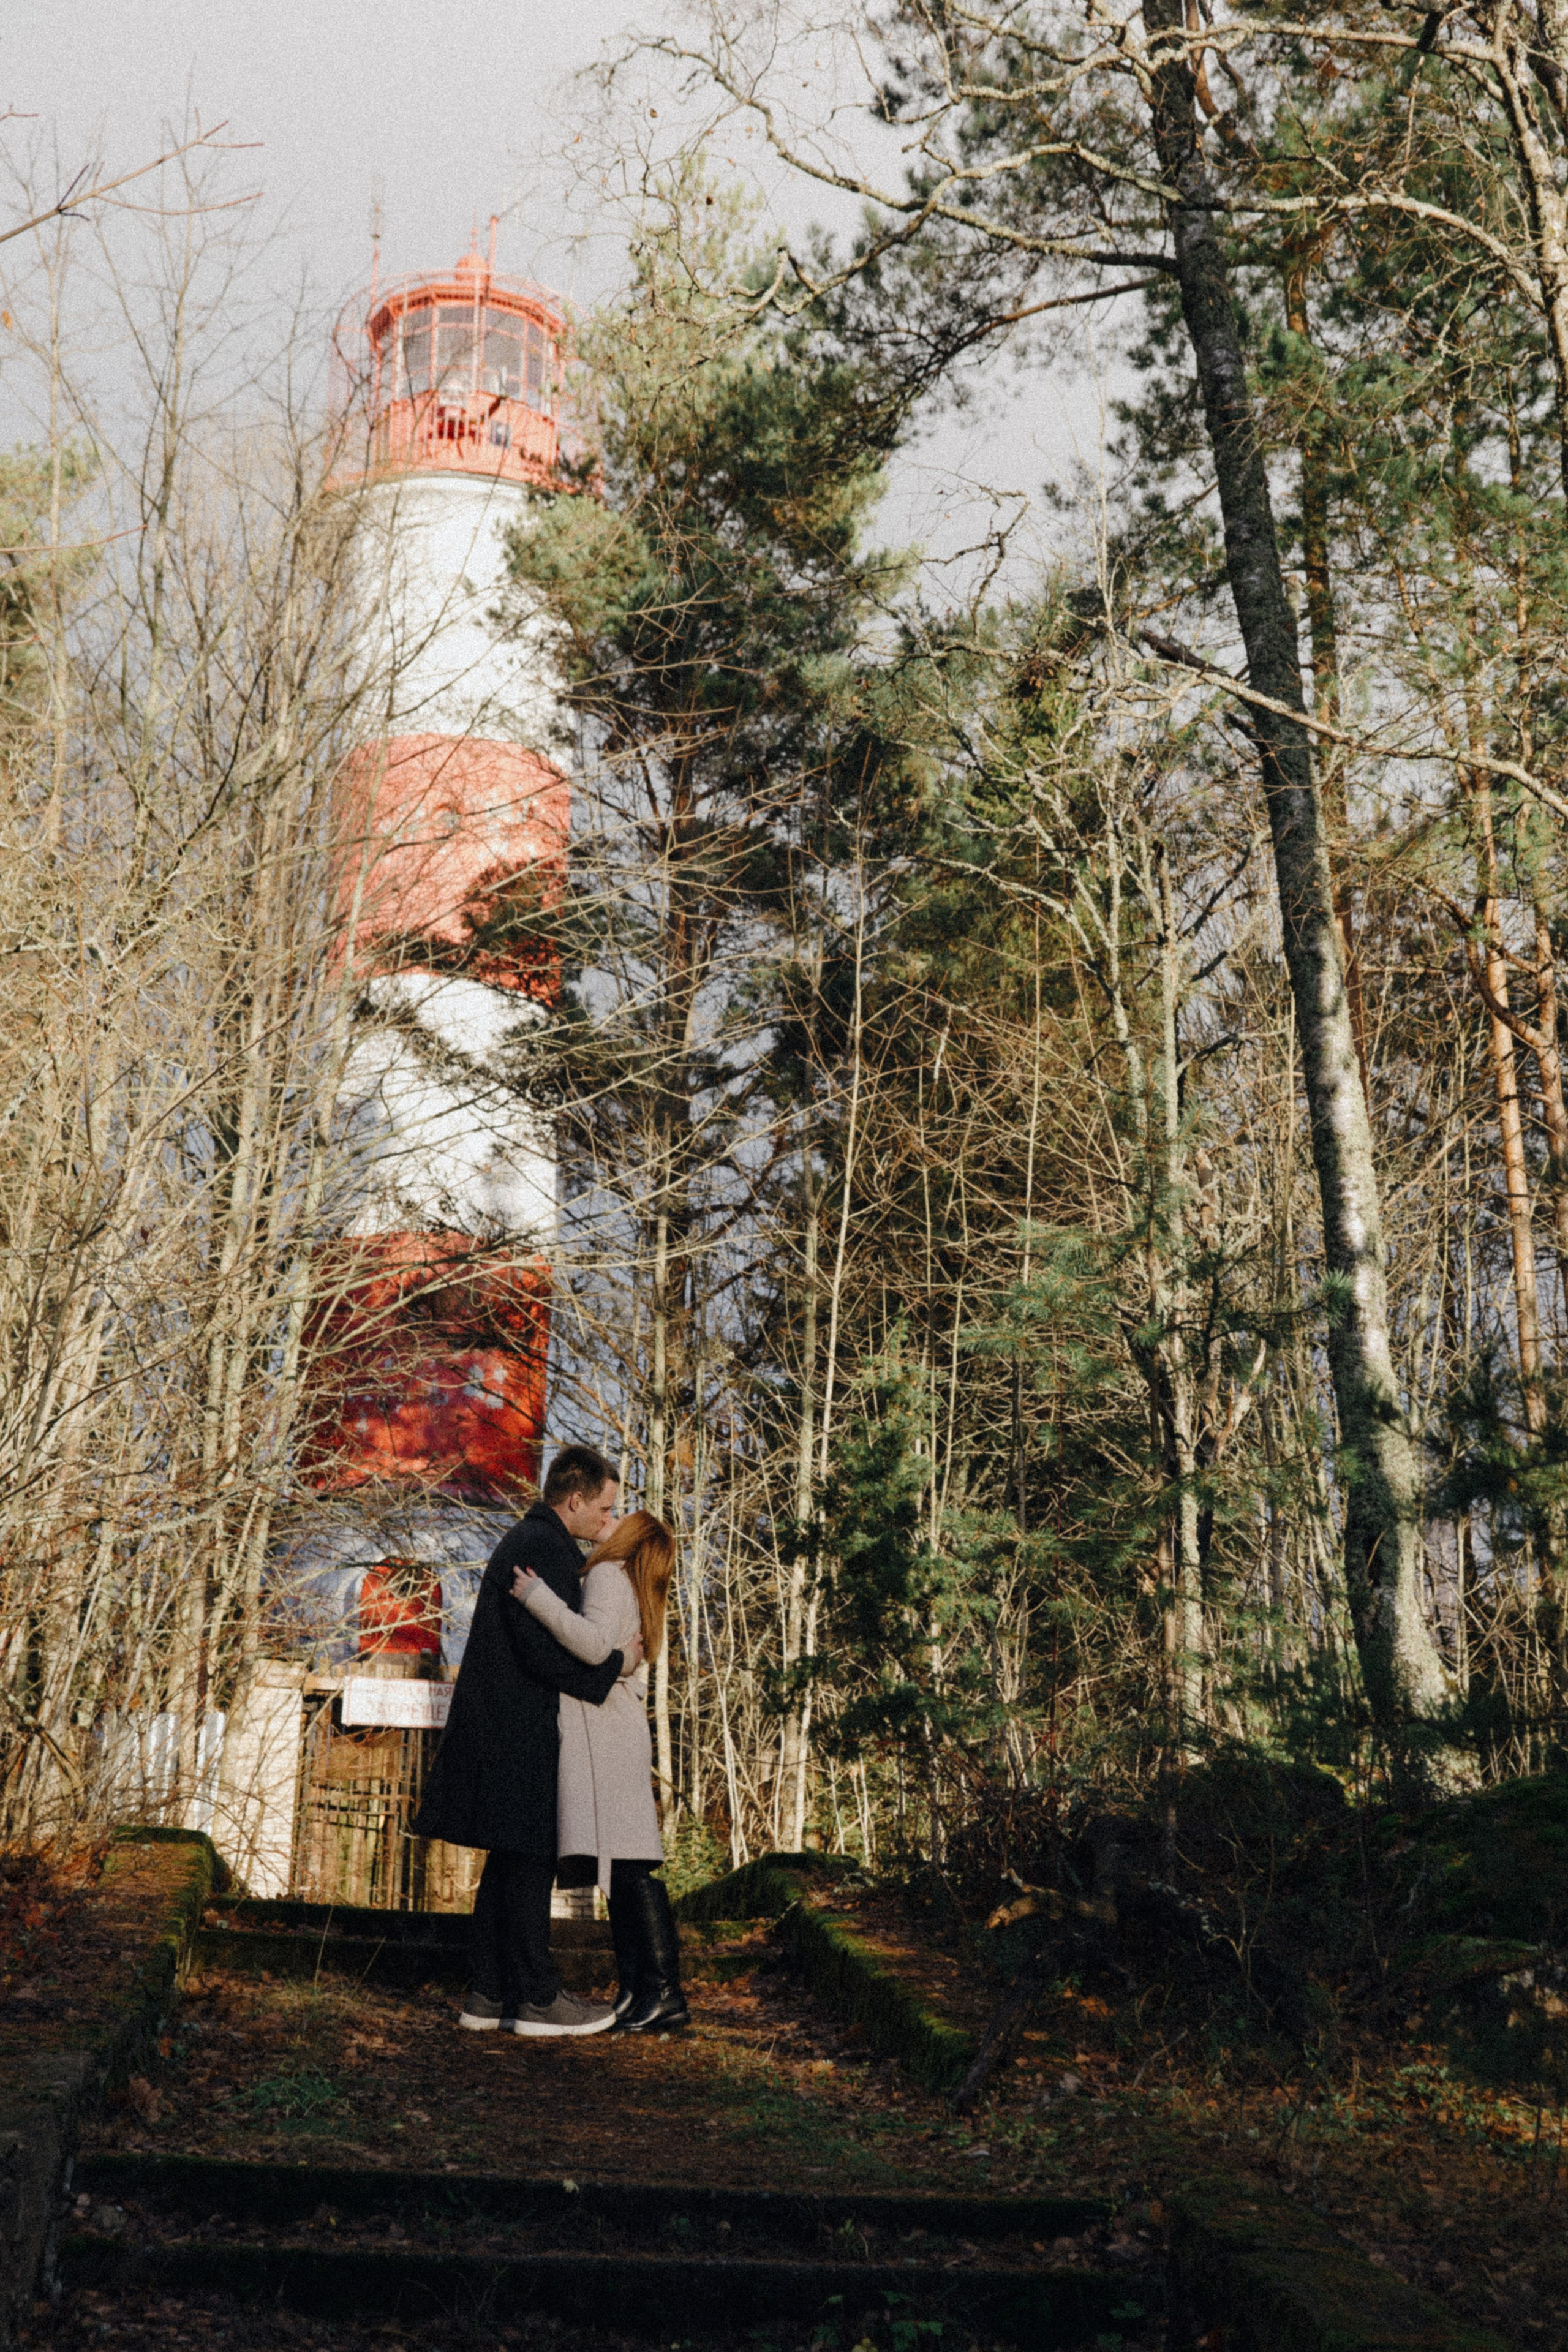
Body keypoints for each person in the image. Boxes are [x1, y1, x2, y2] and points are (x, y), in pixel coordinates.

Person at [413, 1444, 638, 2037]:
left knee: (510, 1862)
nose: (608, 1522)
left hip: (503, 1726)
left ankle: (486, 1996)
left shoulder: (532, 1540)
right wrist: (615, 1665)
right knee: (531, 1861)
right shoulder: (544, 1547)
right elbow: (543, 1652)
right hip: (518, 1732)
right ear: (574, 1500)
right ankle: (538, 1999)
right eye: (605, 1509)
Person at [513, 1509, 690, 2033]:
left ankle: (662, 1991)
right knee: (623, 1866)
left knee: (629, 1867)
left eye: (618, 1517)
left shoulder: (610, 1576)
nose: (607, 1520)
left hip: (607, 1735)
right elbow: (622, 1659)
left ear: (630, 1537)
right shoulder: (636, 1587)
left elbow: (592, 1646)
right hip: (617, 1732)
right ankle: (641, 1989)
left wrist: (537, 1598)